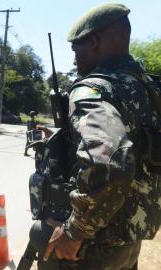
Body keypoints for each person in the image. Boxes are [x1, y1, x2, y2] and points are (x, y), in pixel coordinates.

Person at [40, 3, 161, 270]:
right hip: (129, 237)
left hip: (93, 244)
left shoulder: (93, 90)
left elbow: (109, 164)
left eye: (76, 49)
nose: (74, 59)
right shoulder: (149, 89)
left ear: (94, 42)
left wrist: (74, 232)